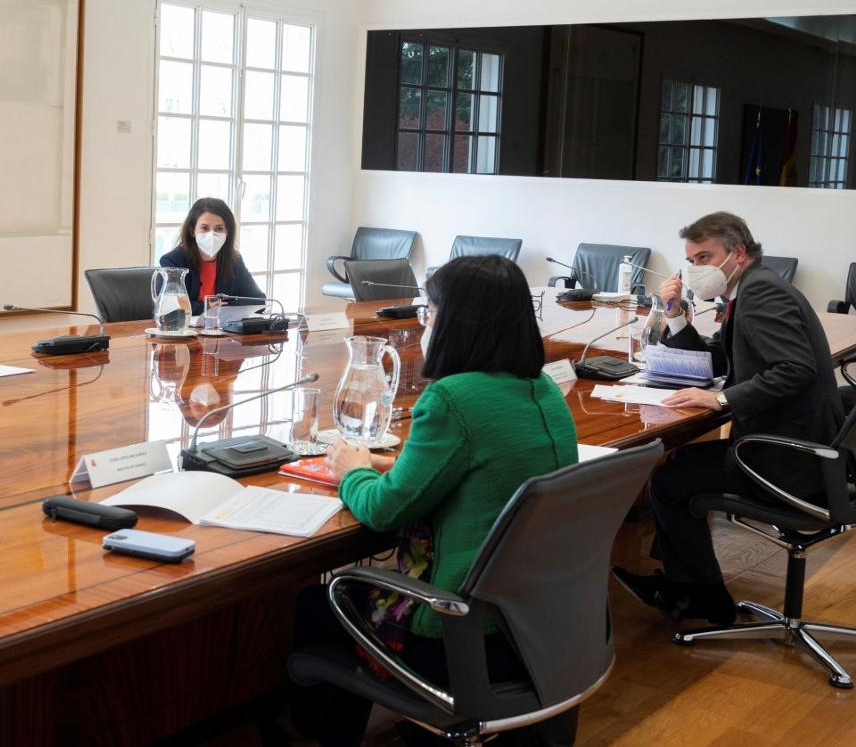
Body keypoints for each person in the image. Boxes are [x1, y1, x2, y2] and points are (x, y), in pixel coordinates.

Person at [289, 255, 580, 747]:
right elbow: (477, 471)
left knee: (320, 604)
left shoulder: (453, 398)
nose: (425, 322)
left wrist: (353, 472)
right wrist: (392, 466)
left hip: (458, 636)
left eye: (431, 311)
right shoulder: (542, 389)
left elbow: (384, 511)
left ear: (459, 322)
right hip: (536, 628)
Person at [614, 212, 843, 624]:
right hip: (795, 447)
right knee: (678, 466)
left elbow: (795, 369)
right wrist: (675, 314)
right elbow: (713, 359)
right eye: (691, 261)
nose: (696, 270)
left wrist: (720, 401)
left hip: (789, 460)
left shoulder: (762, 296)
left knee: (669, 479)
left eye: (704, 258)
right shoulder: (750, 290)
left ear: (737, 253)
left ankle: (700, 597)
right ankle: (684, 585)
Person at [158, 198, 264, 315]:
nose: (212, 234)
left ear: (227, 232)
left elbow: (259, 301)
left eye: (219, 229)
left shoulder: (234, 260)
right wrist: (206, 307)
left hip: (222, 330)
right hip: (183, 329)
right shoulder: (173, 261)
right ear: (192, 231)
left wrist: (224, 306)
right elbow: (167, 306)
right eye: (204, 228)